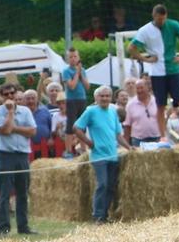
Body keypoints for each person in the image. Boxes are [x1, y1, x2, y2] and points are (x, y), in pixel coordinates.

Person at [129, 4, 179, 141]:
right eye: (159, 19)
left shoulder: (173, 25)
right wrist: (144, 59)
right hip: (157, 72)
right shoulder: (145, 30)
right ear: (154, 16)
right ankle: (163, 136)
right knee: (160, 104)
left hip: (173, 69)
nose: (162, 22)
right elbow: (132, 47)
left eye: (163, 19)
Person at [72, 86, 131, 223]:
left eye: (107, 96)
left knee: (111, 186)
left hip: (113, 155)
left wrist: (129, 147)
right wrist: (88, 142)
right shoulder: (90, 111)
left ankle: (105, 215)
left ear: (111, 98)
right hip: (99, 156)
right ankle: (97, 215)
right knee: (102, 184)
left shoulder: (113, 111)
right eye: (102, 96)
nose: (104, 98)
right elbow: (76, 128)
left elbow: (118, 135)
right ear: (96, 98)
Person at [0, 84, 37, 235]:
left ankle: (23, 226)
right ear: (2, 96)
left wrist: (15, 128)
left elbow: (32, 131)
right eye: (6, 94)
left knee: (22, 192)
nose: (10, 96)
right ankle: (3, 227)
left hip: (22, 155)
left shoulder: (25, 111)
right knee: (4, 193)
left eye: (12, 93)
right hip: (5, 155)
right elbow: (4, 130)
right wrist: (10, 112)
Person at [60, 48, 89, 158]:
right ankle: (68, 150)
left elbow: (87, 87)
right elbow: (71, 86)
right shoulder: (66, 71)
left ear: (79, 58)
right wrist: (77, 73)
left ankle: (83, 148)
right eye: (70, 57)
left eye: (75, 56)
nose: (73, 59)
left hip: (82, 99)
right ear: (67, 59)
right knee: (70, 124)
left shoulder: (83, 70)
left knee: (82, 125)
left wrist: (81, 74)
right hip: (71, 100)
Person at [123, 77, 162, 146]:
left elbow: (162, 120)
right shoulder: (130, 104)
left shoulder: (157, 101)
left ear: (147, 88)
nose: (139, 90)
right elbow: (127, 125)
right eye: (137, 88)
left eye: (141, 88)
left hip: (157, 138)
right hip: (138, 140)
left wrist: (164, 136)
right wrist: (126, 144)